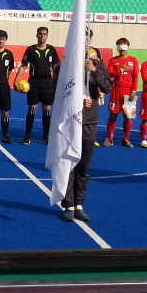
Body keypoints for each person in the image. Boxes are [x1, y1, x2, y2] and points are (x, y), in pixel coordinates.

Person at [61, 29, 112, 222]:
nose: (82, 44)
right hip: (69, 120)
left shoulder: (97, 64)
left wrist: (93, 71)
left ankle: (79, 203)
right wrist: (76, 101)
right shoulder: (65, 64)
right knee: (69, 164)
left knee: (84, 165)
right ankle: (68, 204)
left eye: (86, 41)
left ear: (90, 41)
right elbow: (58, 93)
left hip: (89, 120)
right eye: (79, 40)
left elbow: (107, 87)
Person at [15, 26, 61, 145]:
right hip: (34, 83)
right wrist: (16, 80)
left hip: (48, 83)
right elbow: (23, 66)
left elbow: (57, 66)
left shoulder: (51, 50)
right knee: (32, 109)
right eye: (40, 34)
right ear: (37, 35)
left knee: (46, 110)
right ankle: (27, 135)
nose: (42, 35)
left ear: (47, 35)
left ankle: (46, 136)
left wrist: (61, 79)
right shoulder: (30, 50)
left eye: (44, 34)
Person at [106, 37, 139, 147]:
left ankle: (126, 139)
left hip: (128, 91)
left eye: (124, 46)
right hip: (116, 90)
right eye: (119, 46)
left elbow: (135, 77)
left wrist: (133, 91)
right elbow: (109, 74)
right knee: (113, 115)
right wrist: (121, 70)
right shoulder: (113, 60)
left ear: (128, 47)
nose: (122, 49)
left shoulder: (134, 60)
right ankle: (110, 138)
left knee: (127, 116)